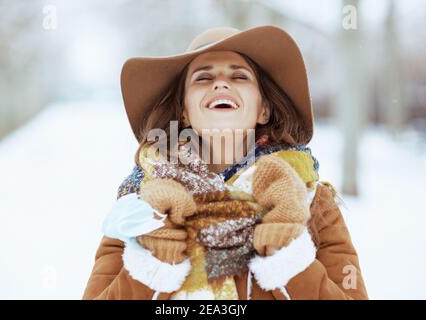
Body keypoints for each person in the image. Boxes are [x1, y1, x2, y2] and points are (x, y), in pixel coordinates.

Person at [82, 25, 368, 300]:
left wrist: (288, 254)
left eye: (240, 77)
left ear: (264, 110)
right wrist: (152, 263)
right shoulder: (139, 210)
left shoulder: (313, 203)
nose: (220, 82)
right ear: (183, 111)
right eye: (203, 78)